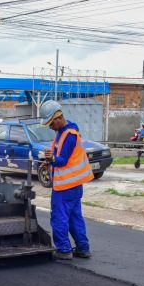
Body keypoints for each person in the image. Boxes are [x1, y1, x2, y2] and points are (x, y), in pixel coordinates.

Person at [41, 100, 93, 260]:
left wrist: (52, 158)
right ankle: (83, 248)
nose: (50, 127)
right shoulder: (66, 131)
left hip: (65, 186)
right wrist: (49, 161)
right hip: (74, 185)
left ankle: (64, 250)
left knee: (59, 217)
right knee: (74, 216)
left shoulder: (68, 135)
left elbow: (62, 160)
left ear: (57, 118)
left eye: (50, 123)